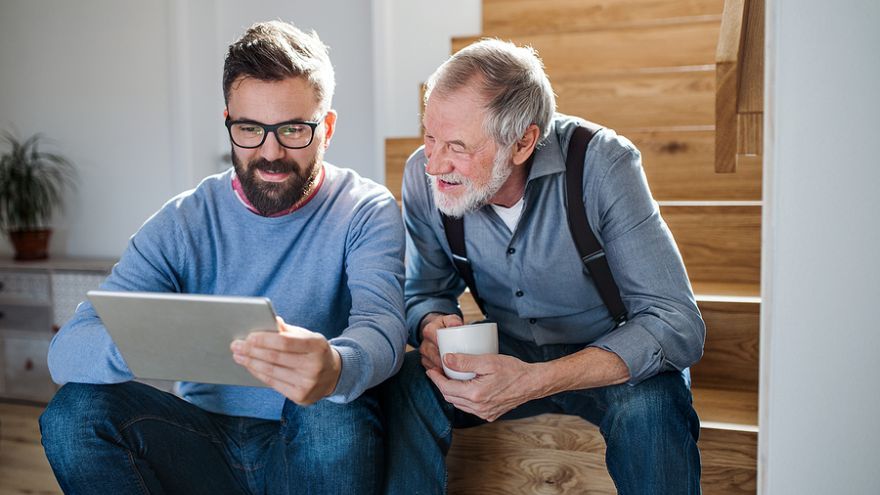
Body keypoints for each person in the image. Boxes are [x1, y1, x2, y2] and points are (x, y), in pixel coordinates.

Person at [40, 20, 406, 495]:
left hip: (310, 440)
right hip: (200, 440)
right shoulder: (183, 221)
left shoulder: (365, 209)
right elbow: (67, 351)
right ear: (229, 122)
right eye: (250, 129)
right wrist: (157, 338)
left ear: (327, 128)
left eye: (293, 129)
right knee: (73, 414)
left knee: (334, 405)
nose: (270, 153)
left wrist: (337, 364)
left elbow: (382, 326)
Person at [382, 39, 705, 494]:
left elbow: (677, 324)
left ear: (523, 142)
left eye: (456, 145)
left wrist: (537, 380)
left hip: (608, 353)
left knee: (652, 408)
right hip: (509, 347)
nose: (434, 163)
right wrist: (432, 324)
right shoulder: (422, 175)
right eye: (429, 136)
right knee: (405, 383)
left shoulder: (603, 164)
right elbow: (424, 290)